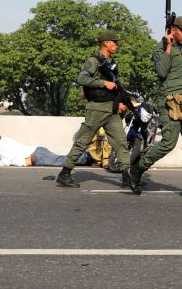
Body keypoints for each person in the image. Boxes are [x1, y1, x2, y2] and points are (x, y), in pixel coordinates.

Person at [127, 0, 182, 197]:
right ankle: (137, 169)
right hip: (169, 101)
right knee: (168, 143)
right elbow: (162, 71)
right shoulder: (160, 49)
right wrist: (168, 45)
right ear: (173, 31)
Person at [55, 30, 132, 188]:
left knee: (121, 142)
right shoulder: (94, 60)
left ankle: (126, 177)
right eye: (114, 42)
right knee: (83, 141)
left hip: (111, 109)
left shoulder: (111, 63)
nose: (116, 45)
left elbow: (113, 84)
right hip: (96, 109)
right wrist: (103, 84)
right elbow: (82, 78)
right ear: (106, 43)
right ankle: (64, 174)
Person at [0, 134, 89, 167]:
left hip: (37, 155)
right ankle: (84, 156)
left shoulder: (2, 146)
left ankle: (85, 157)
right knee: (61, 159)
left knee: (61, 161)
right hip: (37, 154)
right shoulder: (3, 144)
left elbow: (6, 162)